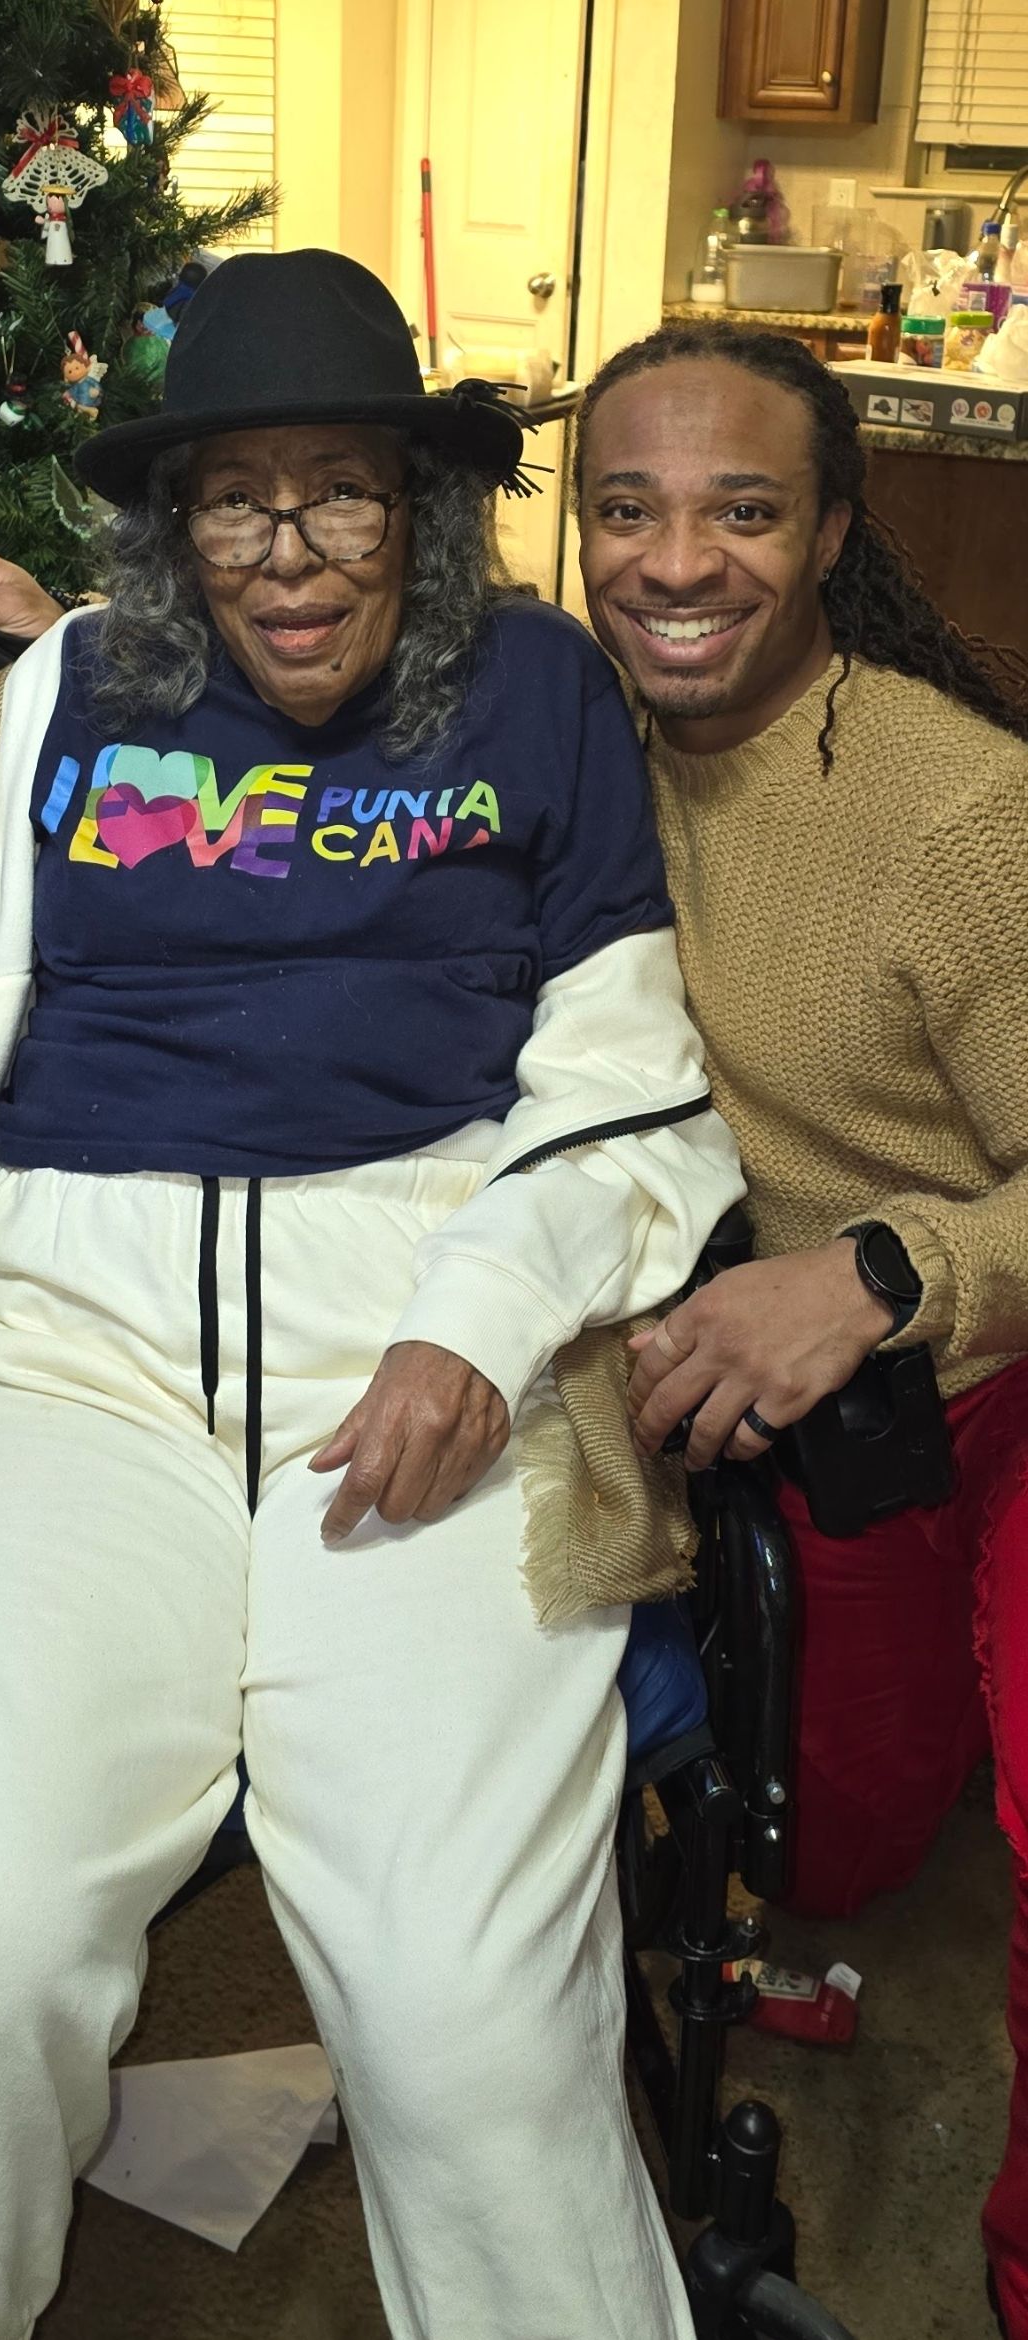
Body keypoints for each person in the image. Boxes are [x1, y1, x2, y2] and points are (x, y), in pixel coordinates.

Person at [0, 253, 746, 2340]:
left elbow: (629, 1075)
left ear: (424, 506)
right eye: (235, 498)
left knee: (467, 2009)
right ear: (171, 523)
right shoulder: (63, 689)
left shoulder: (539, 692)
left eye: (343, 494)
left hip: (418, 1327)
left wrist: (478, 1319)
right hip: (61, 1347)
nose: (290, 555)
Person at [573, 320, 1028, 2339]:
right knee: (817, 1849)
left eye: (742, 512)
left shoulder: (960, 819)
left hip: (974, 1359)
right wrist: (65, 648)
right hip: (772, 1387)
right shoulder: (573, 731)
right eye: (629, 510)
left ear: (835, 532)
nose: (677, 563)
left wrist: (875, 1278)